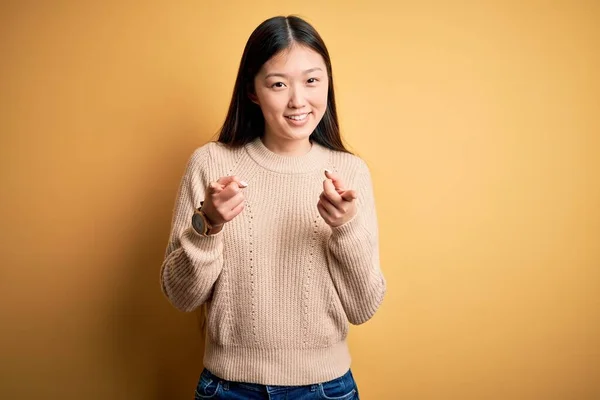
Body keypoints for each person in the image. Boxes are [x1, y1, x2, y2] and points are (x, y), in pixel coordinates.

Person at [160, 15, 386, 400]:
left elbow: (363, 307)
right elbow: (180, 296)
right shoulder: (211, 164)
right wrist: (207, 224)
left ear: (328, 83)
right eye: (278, 84)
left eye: (312, 80)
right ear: (252, 90)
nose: (298, 100)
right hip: (228, 389)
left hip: (326, 389)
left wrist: (346, 230)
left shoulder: (350, 172)